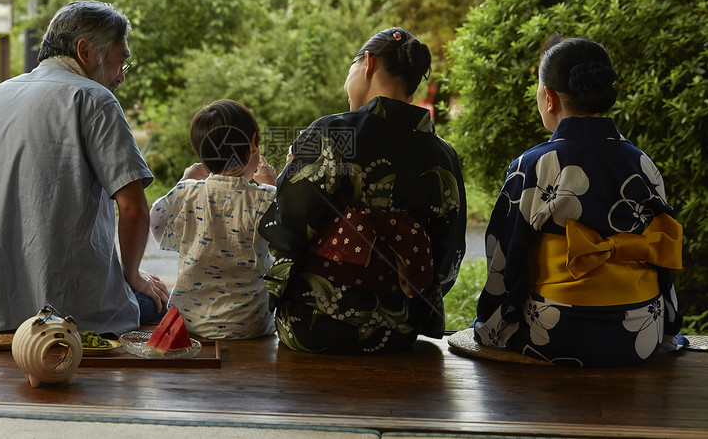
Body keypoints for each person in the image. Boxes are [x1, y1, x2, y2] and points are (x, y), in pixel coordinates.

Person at [0, 0, 169, 335]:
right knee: (163, 303)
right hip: (66, 315)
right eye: (120, 62)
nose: (120, 78)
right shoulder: (95, 99)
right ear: (86, 50)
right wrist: (133, 277)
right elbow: (133, 210)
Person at [474, 35, 683, 367]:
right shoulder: (642, 162)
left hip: (556, 332)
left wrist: (491, 323)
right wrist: (668, 325)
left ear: (549, 97)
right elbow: (663, 258)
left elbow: (504, 256)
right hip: (640, 332)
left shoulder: (532, 164)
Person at [259, 27, 467, 354]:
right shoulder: (442, 153)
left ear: (367, 64)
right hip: (400, 330)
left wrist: (288, 176)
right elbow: (448, 257)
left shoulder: (332, 133)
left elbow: (288, 226)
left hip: (314, 324)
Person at [150, 100, 278, 339]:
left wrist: (183, 182)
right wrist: (272, 184)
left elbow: (157, 226)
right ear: (252, 145)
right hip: (249, 325)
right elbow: (285, 236)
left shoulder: (186, 193)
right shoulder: (266, 198)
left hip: (189, 323)